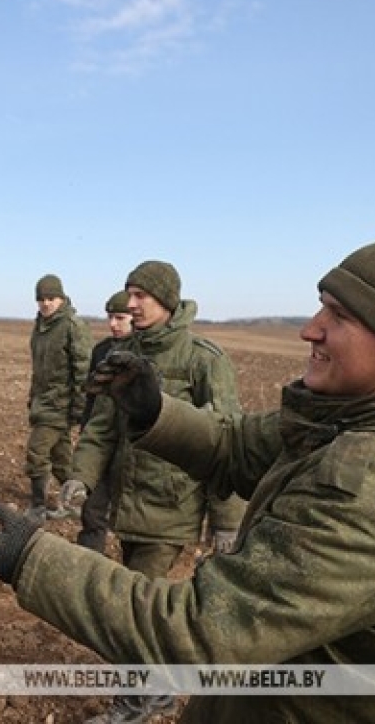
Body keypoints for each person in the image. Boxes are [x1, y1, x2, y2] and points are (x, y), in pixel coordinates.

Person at [0, 239, 375, 722]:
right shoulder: (352, 416)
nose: (310, 328)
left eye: (339, 316)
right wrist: (156, 412)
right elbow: (238, 445)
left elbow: (198, 633)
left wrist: (33, 558)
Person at [57, 260, 244, 724]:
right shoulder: (123, 356)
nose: (131, 304)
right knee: (145, 608)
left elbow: (229, 442)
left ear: (167, 300)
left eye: (141, 295)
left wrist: (227, 522)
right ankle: (156, 693)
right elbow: (101, 427)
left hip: (173, 507)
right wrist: (81, 477)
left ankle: (133, 705)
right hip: (129, 505)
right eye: (129, 294)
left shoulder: (203, 360)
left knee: (139, 612)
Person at [24, 274, 92, 519]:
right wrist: (33, 397)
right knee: (62, 459)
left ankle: (38, 507)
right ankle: (80, 503)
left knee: (37, 451)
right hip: (44, 403)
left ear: (61, 299)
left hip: (60, 405)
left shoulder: (72, 326)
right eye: (41, 299)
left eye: (51, 298)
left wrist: (80, 407)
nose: (46, 304)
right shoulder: (40, 328)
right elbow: (38, 369)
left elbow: (84, 370)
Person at [72, 289, 135, 549]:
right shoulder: (101, 351)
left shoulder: (149, 353)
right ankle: (89, 572)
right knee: (93, 513)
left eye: (120, 318)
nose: (113, 324)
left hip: (135, 450)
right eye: (110, 317)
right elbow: (92, 397)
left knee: (134, 527)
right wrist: (85, 431)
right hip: (102, 444)